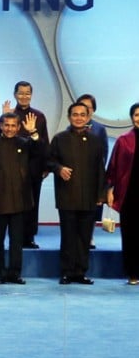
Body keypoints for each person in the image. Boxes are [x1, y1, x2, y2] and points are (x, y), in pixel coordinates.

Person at [0, 111, 42, 284]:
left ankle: (15, 273)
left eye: (13, 125)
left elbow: (40, 153)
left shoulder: (26, 144)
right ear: (0, 126)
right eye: (6, 125)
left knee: (17, 242)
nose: (9, 129)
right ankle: (0, 273)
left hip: (20, 200)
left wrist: (33, 133)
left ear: (18, 127)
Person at [49, 102, 106, 285]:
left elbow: (100, 169)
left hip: (89, 197)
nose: (79, 118)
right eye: (75, 114)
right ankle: (66, 272)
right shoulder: (59, 139)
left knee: (84, 237)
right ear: (69, 117)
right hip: (67, 196)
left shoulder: (95, 141)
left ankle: (80, 272)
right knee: (68, 236)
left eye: (83, 114)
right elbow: (48, 161)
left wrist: (100, 195)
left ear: (88, 117)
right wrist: (59, 169)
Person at [0, 81, 49, 249]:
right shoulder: (10, 114)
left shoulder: (39, 116)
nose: (24, 96)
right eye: (21, 93)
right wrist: (2, 116)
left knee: (32, 203)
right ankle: (14, 237)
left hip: (33, 166)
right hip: (11, 167)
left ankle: (29, 237)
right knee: (13, 205)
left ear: (31, 95)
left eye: (27, 93)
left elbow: (44, 142)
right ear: (15, 94)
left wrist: (45, 166)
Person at [106, 103, 139, 285]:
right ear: (132, 117)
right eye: (136, 115)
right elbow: (113, 168)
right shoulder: (124, 140)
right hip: (130, 194)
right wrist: (110, 190)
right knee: (131, 235)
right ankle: (133, 273)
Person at [73, 94, 108, 245]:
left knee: (93, 208)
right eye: (82, 106)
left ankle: (90, 236)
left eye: (88, 107)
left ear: (93, 110)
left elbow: (104, 152)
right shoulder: (70, 128)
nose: (85, 110)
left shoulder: (99, 129)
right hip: (75, 176)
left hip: (93, 176)